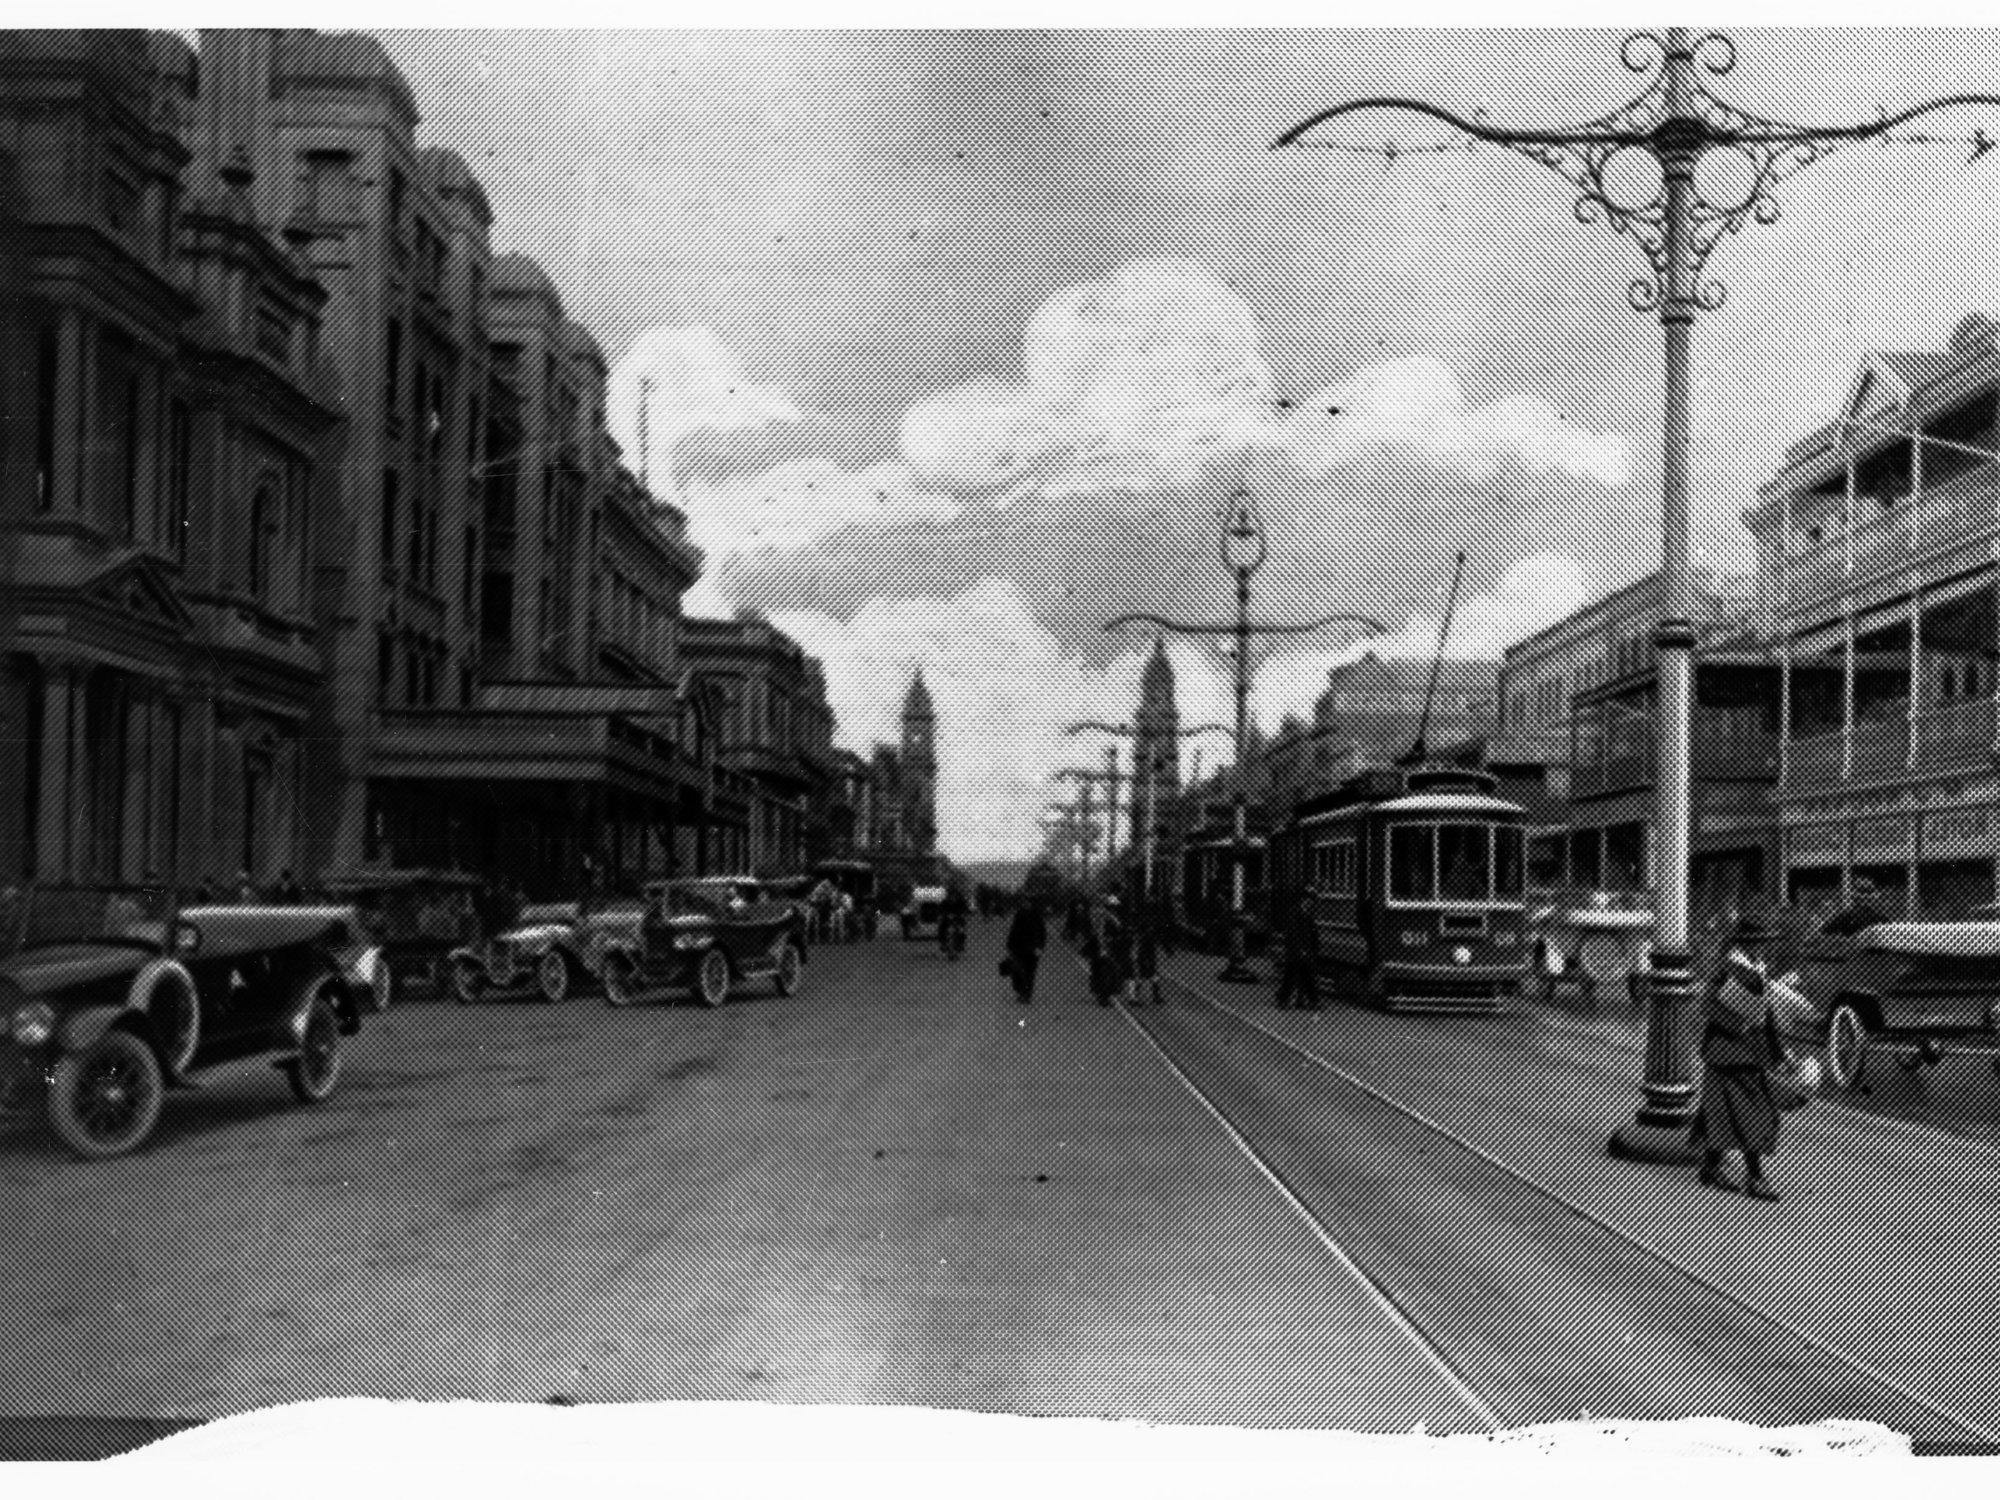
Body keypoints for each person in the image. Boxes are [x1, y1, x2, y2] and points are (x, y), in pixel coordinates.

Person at [1690, 912, 1796, 1202]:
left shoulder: (1757, 969)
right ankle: (1754, 1177)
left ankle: (1711, 1168)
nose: (1763, 947)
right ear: (1746, 943)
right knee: (1755, 1113)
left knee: (1722, 1113)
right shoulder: (1728, 969)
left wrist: (1781, 1053)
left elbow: (1767, 1015)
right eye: (1758, 942)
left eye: (1764, 942)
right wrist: (1740, 1024)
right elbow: (1707, 1004)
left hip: (1748, 1054)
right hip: (1729, 1052)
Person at [1273, 899, 1321, 1011]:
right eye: (1309, 900)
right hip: (1295, 952)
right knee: (1292, 977)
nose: (1311, 903)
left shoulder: (1308, 913)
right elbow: (1293, 933)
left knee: (1306, 977)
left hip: (1304, 952)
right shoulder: (1294, 913)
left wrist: (1313, 949)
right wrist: (1301, 949)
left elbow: (1312, 932)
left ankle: (1310, 1001)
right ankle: (1284, 1000)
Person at [1004, 899, 1048, 1006]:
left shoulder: (1037, 916)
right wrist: (1009, 946)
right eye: (1024, 903)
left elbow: (1042, 933)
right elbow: (1013, 931)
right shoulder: (1019, 915)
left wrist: (1040, 947)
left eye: (1028, 903)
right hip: (1019, 948)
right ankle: (1020, 991)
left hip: (1033, 949)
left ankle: (1027, 994)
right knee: (1017, 972)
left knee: (1030, 973)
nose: (1026, 904)